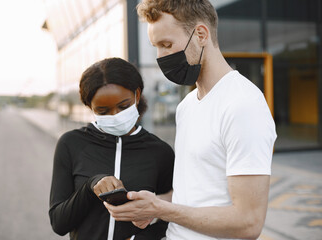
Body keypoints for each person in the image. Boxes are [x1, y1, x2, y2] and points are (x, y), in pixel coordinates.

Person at [104, 1, 277, 240]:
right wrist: (151, 206)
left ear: (201, 34)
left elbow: (247, 223)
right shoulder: (187, 106)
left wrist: (162, 209)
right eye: (156, 47)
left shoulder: (243, 105)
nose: (161, 57)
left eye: (167, 45)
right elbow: (194, 195)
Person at [49, 57, 175, 240]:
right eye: (102, 111)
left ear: (137, 95)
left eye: (123, 106)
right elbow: (59, 223)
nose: (115, 116)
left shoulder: (160, 152)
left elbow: (171, 216)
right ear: (89, 107)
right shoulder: (70, 144)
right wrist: (91, 186)